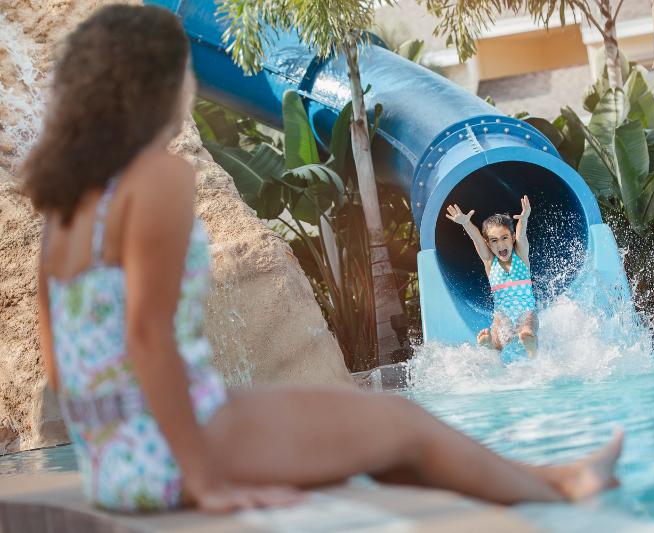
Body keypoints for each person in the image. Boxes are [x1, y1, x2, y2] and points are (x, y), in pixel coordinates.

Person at [23, 4, 623, 514]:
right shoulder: (156, 177)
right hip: (176, 450)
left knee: (374, 428)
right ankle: (565, 488)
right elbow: (147, 332)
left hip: (114, 456)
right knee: (404, 425)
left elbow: (60, 362)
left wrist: (124, 449)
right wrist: (201, 477)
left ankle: (551, 478)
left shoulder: (69, 206)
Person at [445, 198, 539, 357]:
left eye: (504, 238)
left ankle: (531, 346)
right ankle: (491, 345)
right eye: (494, 241)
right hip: (502, 313)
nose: (500, 245)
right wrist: (465, 223)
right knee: (498, 332)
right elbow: (476, 238)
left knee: (529, 325)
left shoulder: (521, 255)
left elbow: (522, 235)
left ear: (512, 237)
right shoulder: (489, 262)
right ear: (488, 244)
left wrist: (524, 219)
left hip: (526, 311)